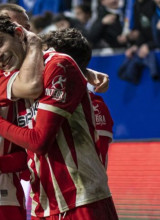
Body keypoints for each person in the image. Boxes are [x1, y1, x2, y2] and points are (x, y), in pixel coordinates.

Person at [0, 3, 110, 220]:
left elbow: (39, 141)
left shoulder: (46, 70)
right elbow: (32, 153)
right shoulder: (3, 76)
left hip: (80, 201)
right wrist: (3, 162)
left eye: (26, 27)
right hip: (36, 203)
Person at [41, 28, 114, 168]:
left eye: (47, 58)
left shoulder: (94, 106)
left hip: (80, 187)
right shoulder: (38, 97)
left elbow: (95, 161)